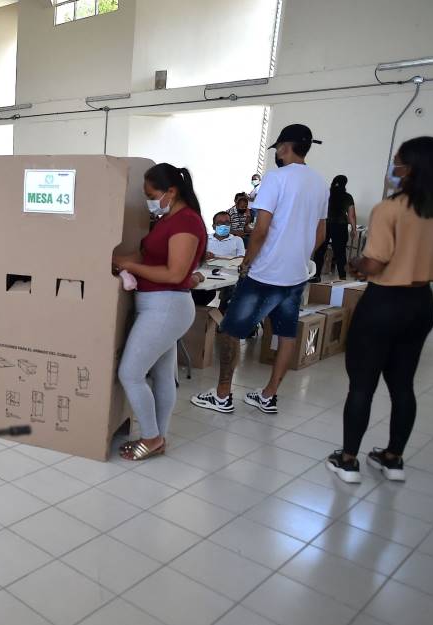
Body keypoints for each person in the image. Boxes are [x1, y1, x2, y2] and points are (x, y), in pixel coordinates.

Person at [327, 137, 433, 484]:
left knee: (362, 385)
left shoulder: (390, 208)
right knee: (403, 385)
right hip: (421, 305)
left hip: (384, 303)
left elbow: (374, 263)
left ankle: (348, 459)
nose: (394, 167)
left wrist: (357, 262)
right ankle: (393, 458)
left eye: (398, 161)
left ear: (412, 167)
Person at [192, 123, 328, 415]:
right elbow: (320, 233)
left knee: (231, 330)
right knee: (286, 333)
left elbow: (262, 227)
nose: (277, 153)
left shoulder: (276, 178)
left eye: (278, 147)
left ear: (285, 147)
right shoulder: (319, 182)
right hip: (296, 275)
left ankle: (222, 395)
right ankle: (268, 395)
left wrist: (247, 262)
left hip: (265, 273)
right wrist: (300, 258)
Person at [111, 164, 206, 461]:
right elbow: (147, 255)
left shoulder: (186, 222)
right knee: (163, 375)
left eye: (151, 194)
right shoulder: (169, 219)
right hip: (160, 306)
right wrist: (114, 259)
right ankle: (158, 436)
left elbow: (175, 273)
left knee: (130, 373)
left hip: (166, 307)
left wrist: (129, 266)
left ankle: (151, 438)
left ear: (171, 192)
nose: (148, 200)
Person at [312, 174, 358, 282]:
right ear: (345, 184)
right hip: (340, 226)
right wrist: (354, 229)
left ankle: (316, 275)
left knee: (320, 250)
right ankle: (342, 277)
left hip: (325, 225)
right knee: (340, 252)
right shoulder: (347, 197)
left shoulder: (326, 194)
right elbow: (351, 215)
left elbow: (317, 209)